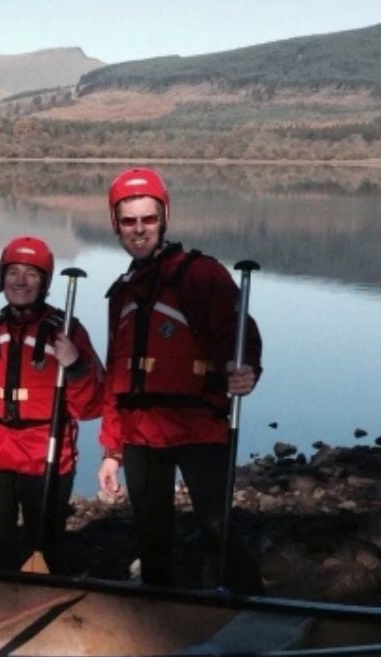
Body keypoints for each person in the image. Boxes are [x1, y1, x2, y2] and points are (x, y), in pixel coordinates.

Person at [97, 167, 264, 594]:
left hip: (198, 426)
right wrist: (112, 451)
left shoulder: (200, 274)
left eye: (148, 219)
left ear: (164, 218)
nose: (139, 230)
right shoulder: (122, 292)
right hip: (139, 433)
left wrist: (246, 370)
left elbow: (241, 336)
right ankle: (160, 611)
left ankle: (252, 606)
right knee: (151, 537)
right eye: (129, 221)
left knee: (216, 528)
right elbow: (117, 375)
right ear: (116, 224)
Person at [0, 236, 104, 572]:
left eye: (31, 274)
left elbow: (90, 407)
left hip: (46, 454)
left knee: (45, 545)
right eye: (12, 272)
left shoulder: (67, 332)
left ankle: (47, 596)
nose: (20, 281)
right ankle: (1, 596)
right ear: (1, 279)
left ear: (44, 283)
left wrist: (75, 366)